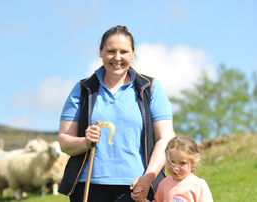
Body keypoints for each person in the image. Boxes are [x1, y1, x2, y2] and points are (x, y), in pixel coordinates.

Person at [58, 25, 174, 202]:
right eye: (111, 51)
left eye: (124, 51)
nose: (117, 57)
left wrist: (147, 178)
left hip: (136, 186)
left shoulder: (151, 88)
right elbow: (64, 141)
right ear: (101, 52)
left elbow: (164, 139)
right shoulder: (83, 89)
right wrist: (85, 141)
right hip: (88, 187)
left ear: (133, 53)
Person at [131, 135, 214, 202]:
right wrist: (142, 200)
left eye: (182, 163)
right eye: (172, 161)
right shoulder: (164, 183)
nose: (175, 168)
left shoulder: (199, 185)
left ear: (193, 162)